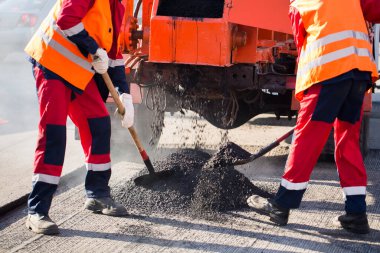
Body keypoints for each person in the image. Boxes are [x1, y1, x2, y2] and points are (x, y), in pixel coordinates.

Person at [246, 0, 380, 234]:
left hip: (327, 74)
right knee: (347, 142)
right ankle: (357, 214)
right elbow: (374, 10)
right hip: (359, 74)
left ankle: (281, 206)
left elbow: (302, 44)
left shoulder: (299, 3)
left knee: (306, 140)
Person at [24, 0, 134, 235]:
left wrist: (125, 94)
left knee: (99, 124)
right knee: (54, 134)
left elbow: (113, 56)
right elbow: (67, 19)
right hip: (51, 64)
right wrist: (93, 49)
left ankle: (97, 194)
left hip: (77, 72)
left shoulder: (118, 5)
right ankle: (37, 211)